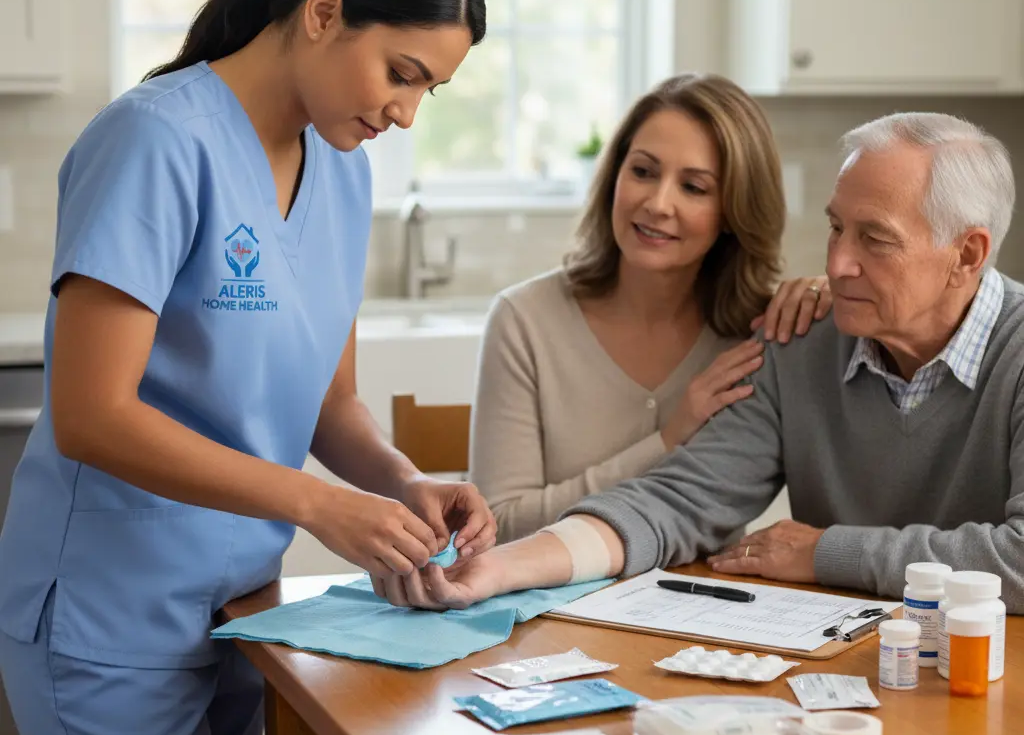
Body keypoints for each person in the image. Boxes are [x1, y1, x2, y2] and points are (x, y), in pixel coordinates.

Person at [0, 0, 495, 735]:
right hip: (110, 616)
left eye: (428, 90)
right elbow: (92, 414)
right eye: (400, 73)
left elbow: (330, 404)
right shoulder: (154, 141)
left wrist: (403, 483)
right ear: (322, 11)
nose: (404, 112)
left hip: (236, 612)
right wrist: (320, 504)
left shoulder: (343, 169)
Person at [377, 111, 1024, 614]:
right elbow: (677, 501)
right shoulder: (801, 341)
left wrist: (828, 552)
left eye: (874, 239)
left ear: (967, 255)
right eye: (835, 228)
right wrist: (500, 569)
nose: (836, 263)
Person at [469, 73, 831, 541]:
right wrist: (667, 440)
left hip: (706, 588)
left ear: (733, 211)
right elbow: (498, 527)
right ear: (614, 177)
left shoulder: (762, 331)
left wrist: (833, 299)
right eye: (643, 171)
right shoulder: (524, 322)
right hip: (553, 588)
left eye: (694, 187)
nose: (658, 204)